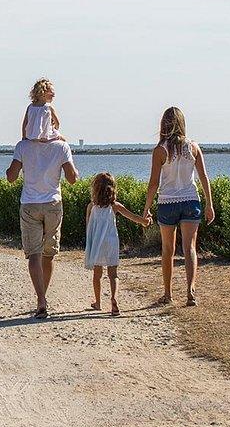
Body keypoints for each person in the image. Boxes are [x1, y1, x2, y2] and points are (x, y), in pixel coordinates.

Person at [142, 107, 216, 306]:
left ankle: (168, 294)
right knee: (190, 247)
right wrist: (209, 204)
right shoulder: (193, 147)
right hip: (191, 200)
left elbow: (153, 184)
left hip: (167, 202)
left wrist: (146, 208)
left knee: (168, 250)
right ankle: (190, 292)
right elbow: (203, 177)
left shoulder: (160, 150)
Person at [6, 136, 79, 318]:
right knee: (48, 254)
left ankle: (41, 300)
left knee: (34, 254)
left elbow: (11, 177)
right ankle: (43, 298)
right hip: (53, 205)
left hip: (30, 204)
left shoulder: (23, 146)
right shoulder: (62, 146)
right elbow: (72, 179)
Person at [84, 172, 150, 315]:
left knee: (97, 274)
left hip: (97, 243)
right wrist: (145, 222)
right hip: (112, 242)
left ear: (95, 189)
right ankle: (114, 299)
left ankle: (98, 302)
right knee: (113, 274)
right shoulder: (115, 206)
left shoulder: (91, 207)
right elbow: (132, 216)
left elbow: (88, 227)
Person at [21, 78, 67, 142]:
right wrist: (54, 128)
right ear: (43, 93)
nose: (54, 95)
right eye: (51, 92)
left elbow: (25, 123)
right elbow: (57, 124)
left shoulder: (30, 107)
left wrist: (24, 137)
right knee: (63, 140)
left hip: (31, 137)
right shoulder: (48, 107)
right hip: (47, 136)